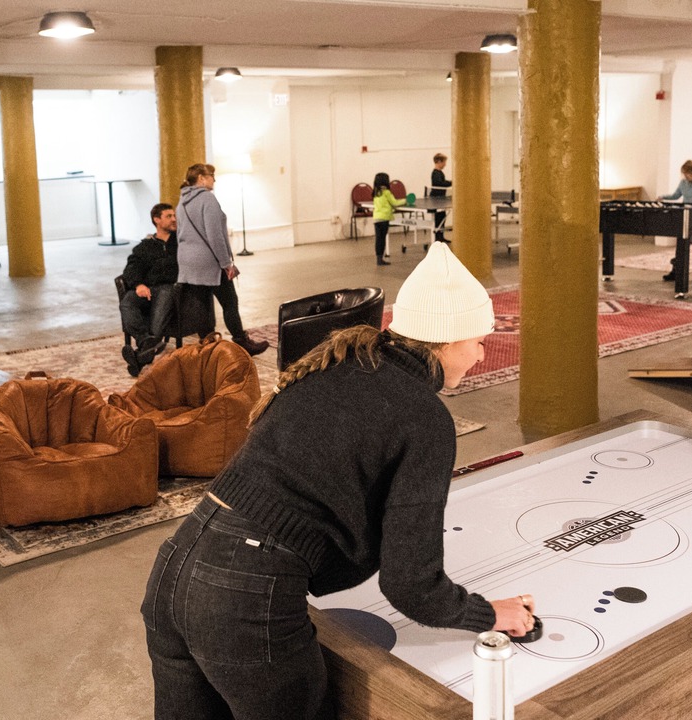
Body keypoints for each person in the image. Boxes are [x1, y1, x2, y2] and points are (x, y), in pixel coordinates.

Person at [141, 243, 538, 720]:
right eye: (477, 340)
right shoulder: (425, 417)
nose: (480, 354)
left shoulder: (336, 362)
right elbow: (412, 585)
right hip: (243, 600)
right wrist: (491, 615)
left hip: (174, 568)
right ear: (447, 339)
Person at [176, 163, 269, 357]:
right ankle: (242, 342)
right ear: (201, 178)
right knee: (230, 301)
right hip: (208, 260)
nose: (214, 180)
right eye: (211, 176)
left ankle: (208, 346)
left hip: (187, 260)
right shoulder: (207, 199)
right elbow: (214, 235)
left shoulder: (182, 201)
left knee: (202, 304)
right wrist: (226, 263)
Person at [118, 203, 180, 377]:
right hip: (147, 289)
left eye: (174, 215)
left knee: (167, 293)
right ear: (156, 220)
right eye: (169, 216)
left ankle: (139, 356)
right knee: (127, 302)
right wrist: (138, 285)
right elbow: (131, 269)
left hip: (169, 288)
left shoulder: (180, 242)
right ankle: (146, 341)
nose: (174, 219)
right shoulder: (145, 246)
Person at [371, 171, 406, 266]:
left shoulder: (375, 193)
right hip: (384, 219)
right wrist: (405, 200)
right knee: (382, 239)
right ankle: (380, 260)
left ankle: (378, 259)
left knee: (378, 239)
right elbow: (395, 203)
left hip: (376, 219)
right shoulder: (387, 192)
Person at [429, 152, 453, 243]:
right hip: (436, 199)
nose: (445, 164)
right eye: (444, 162)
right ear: (439, 162)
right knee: (438, 218)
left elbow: (442, 182)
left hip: (441, 198)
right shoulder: (435, 173)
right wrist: (451, 182)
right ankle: (437, 238)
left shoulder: (439, 172)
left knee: (442, 217)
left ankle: (441, 236)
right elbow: (439, 183)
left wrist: (450, 182)